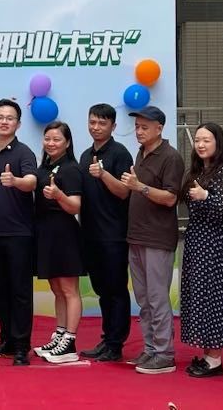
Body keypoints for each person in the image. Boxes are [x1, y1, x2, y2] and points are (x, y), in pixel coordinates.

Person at [119, 105, 184, 374]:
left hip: (157, 237)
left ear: (159, 128)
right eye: (137, 127)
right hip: (136, 235)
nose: (139, 131)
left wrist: (140, 187)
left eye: (144, 127)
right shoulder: (141, 153)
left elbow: (170, 198)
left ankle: (164, 353)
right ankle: (150, 349)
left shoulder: (171, 157)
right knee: (144, 299)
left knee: (157, 298)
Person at [0, 98, 38, 366]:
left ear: (18, 124)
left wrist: (15, 181)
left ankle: (22, 345)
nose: (4, 121)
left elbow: (32, 182)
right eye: (0, 117)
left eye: (10, 118)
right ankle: (7, 339)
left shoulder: (24, 153)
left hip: (19, 234)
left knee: (20, 291)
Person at [178, 123, 223, 378]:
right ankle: (207, 355)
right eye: (198, 140)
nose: (201, 144)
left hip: (215, 244)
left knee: (214, 298)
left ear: (218, 143)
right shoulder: (197, 171)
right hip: (196, 240)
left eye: (207, 140)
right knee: (199, 297)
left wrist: (206, 196)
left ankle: (215, 359)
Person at [77, 104, 134, 362]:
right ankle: (107, 338)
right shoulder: (85, 155)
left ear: (113, 126)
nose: (96, 127)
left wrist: (103, 174)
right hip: (90, 234)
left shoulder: (120, 153)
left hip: (114, 235)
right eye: (92, 122)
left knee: (116, 289)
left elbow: (124, 192)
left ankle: (116, 344)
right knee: (102, 289)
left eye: (102, 123)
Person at [32, 121, 86, 364]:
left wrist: (58, 195)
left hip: (64, 233)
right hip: (45, 232)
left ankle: (70, 342)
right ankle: (60, 334)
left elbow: (75, 206)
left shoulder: (71, 169)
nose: (51, 143)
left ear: (67, 142)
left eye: (56, 139)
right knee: (56, 289)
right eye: (48, 139)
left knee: (69, 289)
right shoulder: (44, 167)